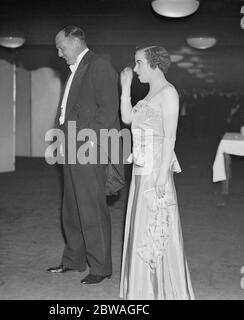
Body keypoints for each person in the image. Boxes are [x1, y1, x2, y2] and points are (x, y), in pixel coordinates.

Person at [47, 26, 122, 284]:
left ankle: (101, 267)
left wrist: (89, 144)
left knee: (91, 209)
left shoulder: (98, 65)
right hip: (69, 147)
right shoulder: (75, 69)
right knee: (71, 208)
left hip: (86, 150)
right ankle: (73, 260)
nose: (59, 53)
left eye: (62, 47)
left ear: (76, 41)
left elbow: (109, 110)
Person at [119, 46, 194, 299]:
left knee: (156, 228)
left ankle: (160, 289)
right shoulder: (148, 95)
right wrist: (126, 87)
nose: (136, 68)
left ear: (153, 64)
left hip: (155, 173)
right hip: (140, 171)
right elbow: (128, 118)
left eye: (139, 63)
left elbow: (170, 136)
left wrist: (163, 175)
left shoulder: (168, 93)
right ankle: (141, 288)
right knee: (140, 226)